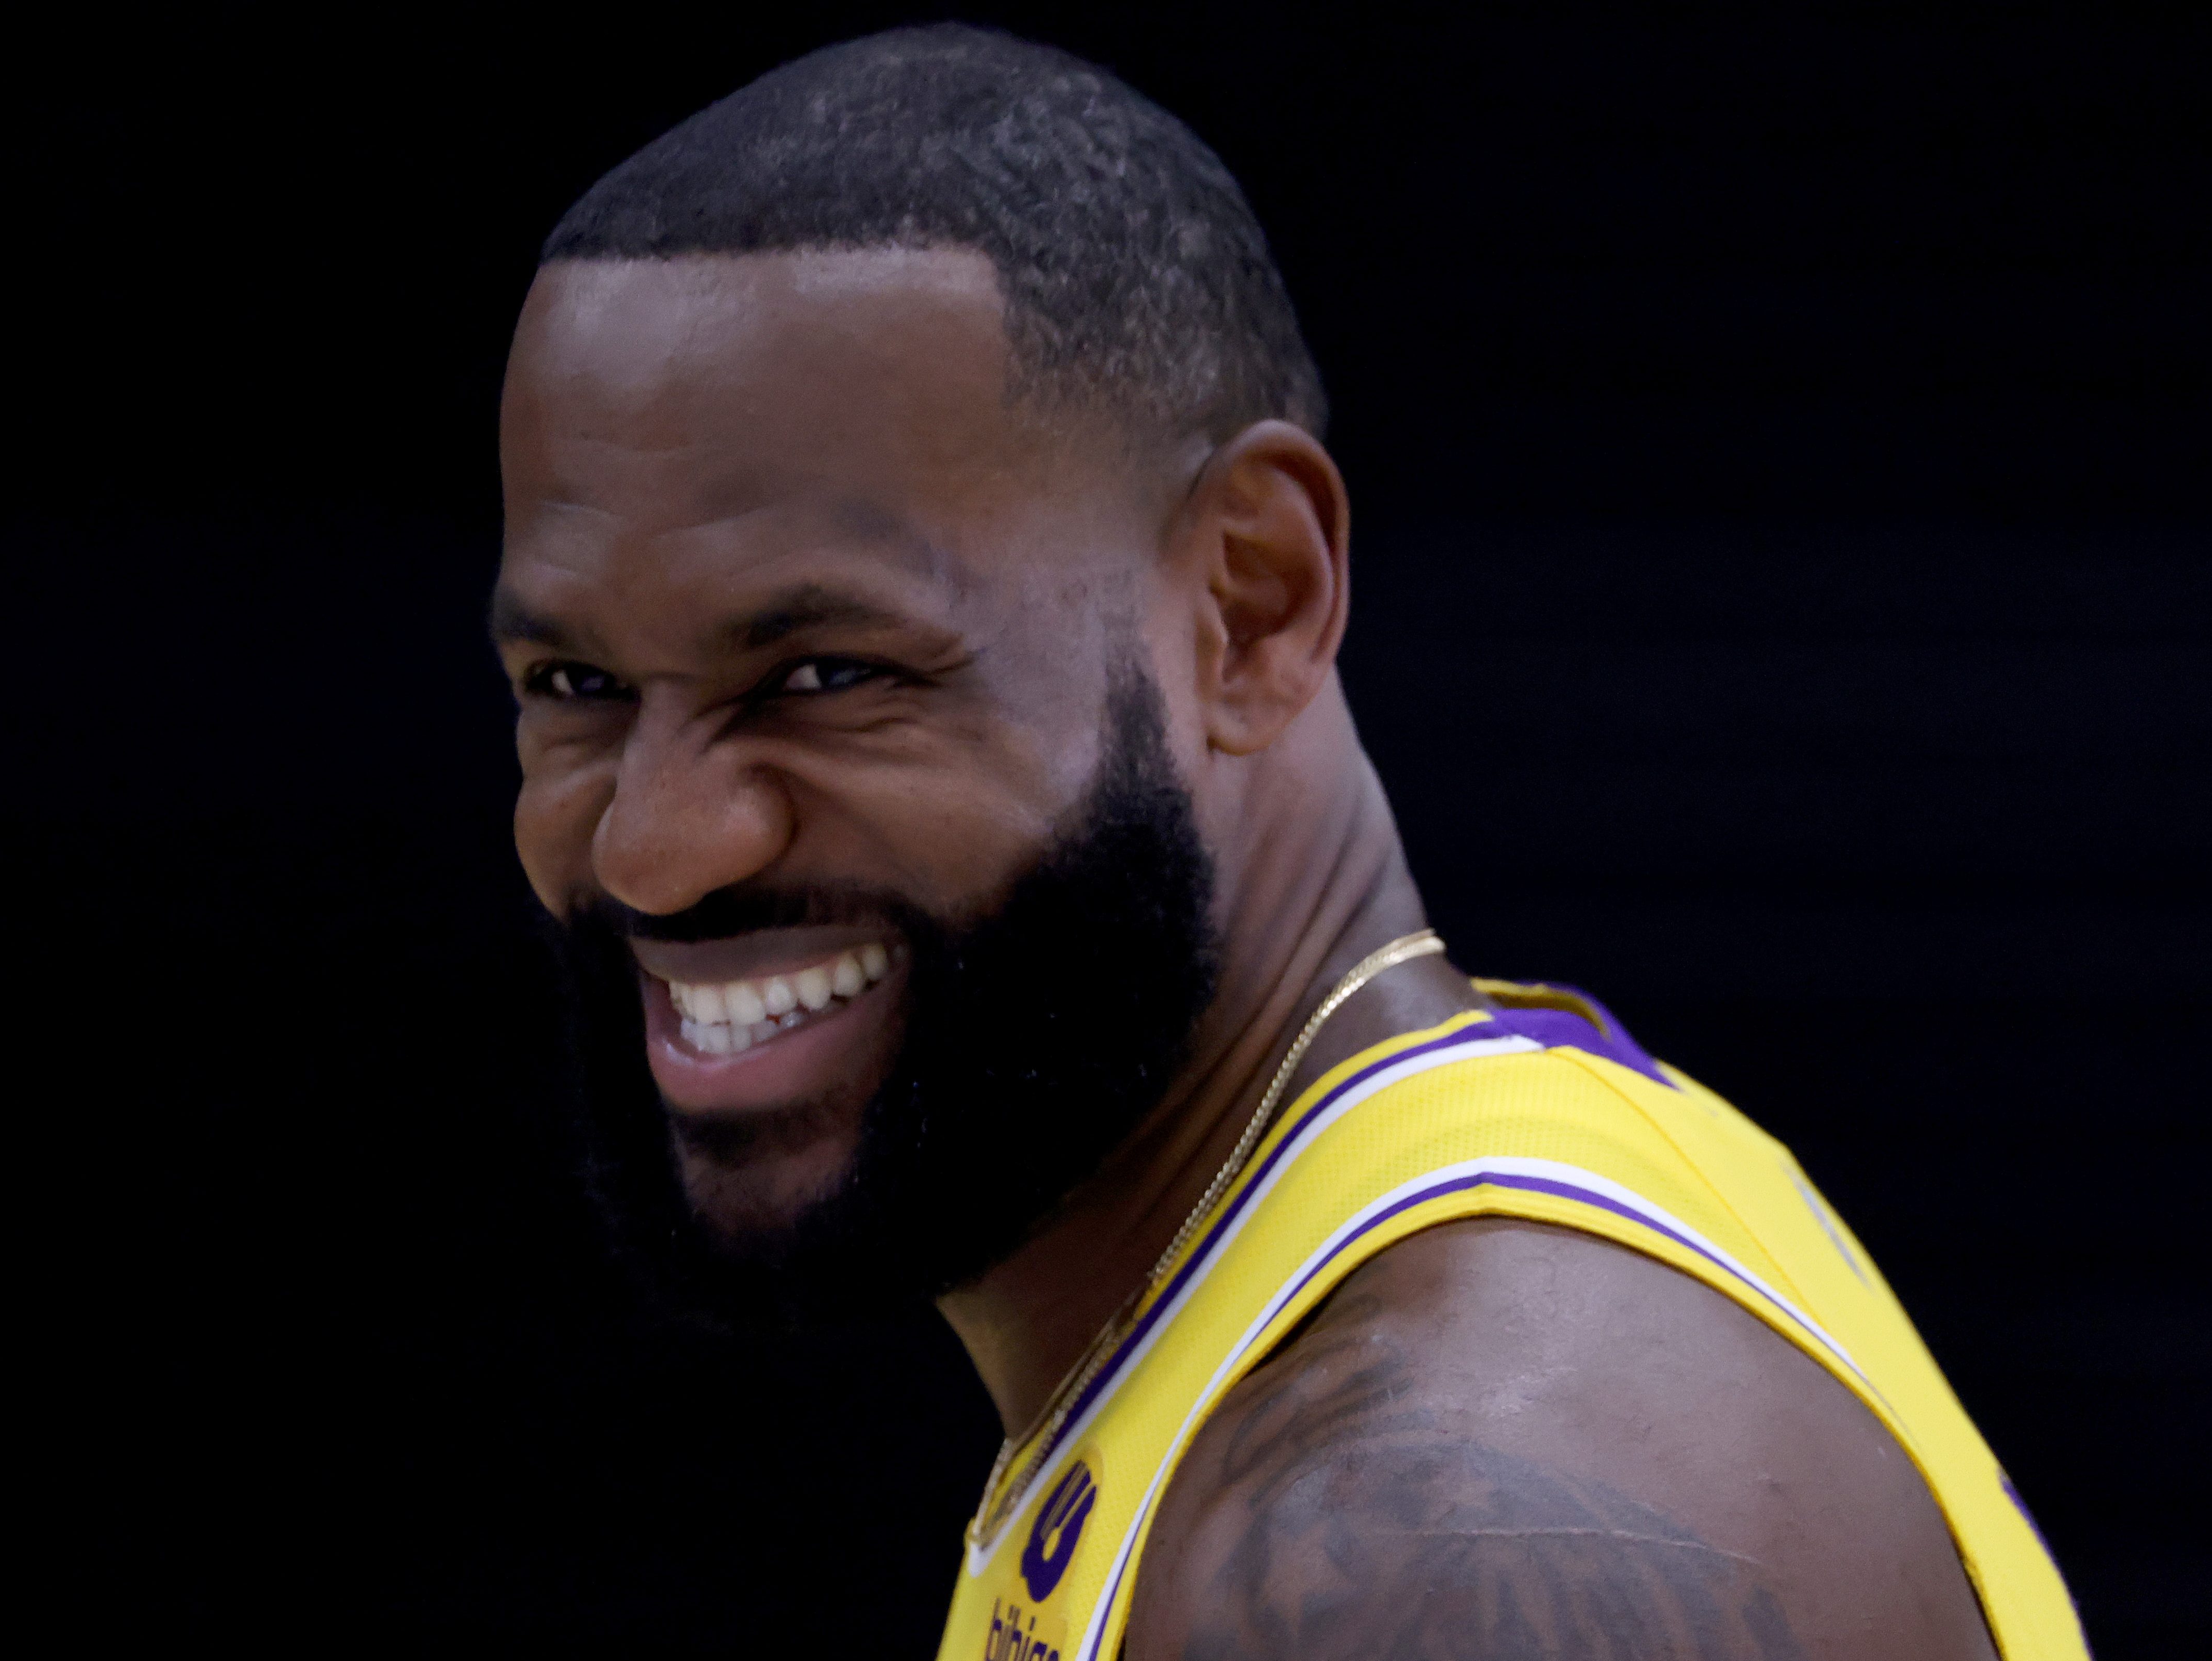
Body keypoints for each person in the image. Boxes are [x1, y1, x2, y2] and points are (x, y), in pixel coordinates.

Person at [490, 25, 2083, 1660]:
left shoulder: (1426, 1541)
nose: (654, 848)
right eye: (577, 685)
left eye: (828, 673)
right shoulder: (1399, 1259)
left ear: (1251, 608)